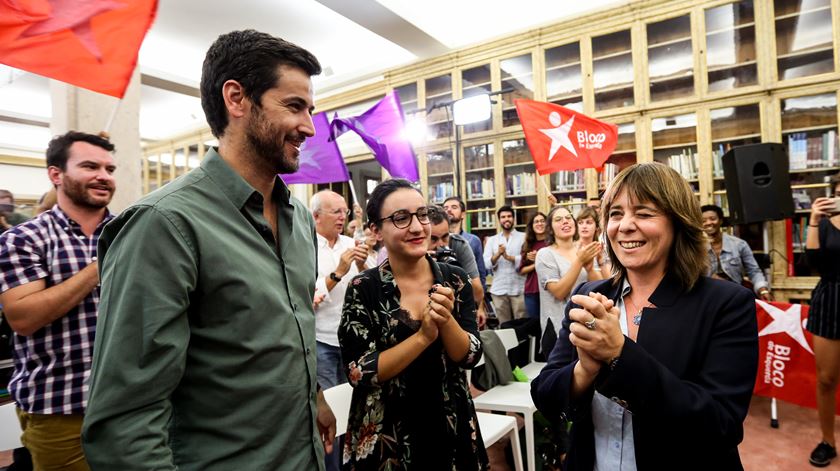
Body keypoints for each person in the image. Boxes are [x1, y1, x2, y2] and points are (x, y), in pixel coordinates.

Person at [81, 30, 335, 470]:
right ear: (236, 99)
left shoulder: (297, 219)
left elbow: (287, 332)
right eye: (293, 106)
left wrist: (313, 398)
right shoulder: (164, 224)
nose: (309, 127)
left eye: (309, 109)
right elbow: (125, 424)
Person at [531, 162, 758, 470]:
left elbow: (720, 424)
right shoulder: (590, 296)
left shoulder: (726, 304)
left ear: (679, 222)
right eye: (615, 214)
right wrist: (584, 370)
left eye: (644, 213)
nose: (625, 225)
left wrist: (619, 354)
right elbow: (544, 393)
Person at [338, 179, 488, 470]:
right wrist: (423, 336)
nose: (418, 227)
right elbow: (360, 371)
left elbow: (471, 355)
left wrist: (446, 322)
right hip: (388, 433)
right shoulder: (363, 287)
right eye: (401, 218)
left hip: (450, 424)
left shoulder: (455, 279)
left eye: (423, 214)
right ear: (376, 231)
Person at [0, 131, 117, 471]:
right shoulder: (24, 238)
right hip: (61, 406)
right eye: (90, 166)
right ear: (56, 174)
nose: (103, 176)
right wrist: (100, 265)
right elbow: (23, 317)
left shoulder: (131, 230)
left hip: (132, 402)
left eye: (109, 169)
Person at [311, 190, 372, 471]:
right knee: (329, 414)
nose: (341, 217)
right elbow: (308, 294)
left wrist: (361, 264)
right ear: (316, 216)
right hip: (321, 341)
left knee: (354, 407)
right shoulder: (306, 247)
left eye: (344, 211)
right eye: (335, 211)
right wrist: (338, 271)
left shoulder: (351, 243)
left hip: (351, 341)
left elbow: (373, 284)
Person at [805, 173, 840, 467]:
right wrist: (814, 220)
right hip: (831, 299)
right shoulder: (824, 223)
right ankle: (828, 440)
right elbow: (812, 263)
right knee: (827, 379)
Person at [535, 206, 601, 352]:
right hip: (559, 330)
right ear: (551, 229)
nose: (565, 221)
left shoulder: (584, 249)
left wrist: (589, 268)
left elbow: (598, 286)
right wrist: (579, 262)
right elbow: (559, 292)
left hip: (586, 327)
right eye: (558, 220)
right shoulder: (545, 254)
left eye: (568, 218)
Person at [428, 205, 486, 328]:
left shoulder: (459, 245)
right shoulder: (414, 249)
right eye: (433, 239)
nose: (441, 245)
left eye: (445, 237)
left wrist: (458, 271)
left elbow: (478, 293)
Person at [701, 204, 772, 300]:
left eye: (713, 218)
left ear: (721, 221)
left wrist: (762, 290)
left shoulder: (739, 244)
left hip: (734, 296)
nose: (709, 223)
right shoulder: (696, 248)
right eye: (703, 221)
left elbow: (753, 271)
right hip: (707, 297)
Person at [483, 205, 527, 324]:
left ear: (513, 218)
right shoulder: (492, 240)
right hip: (499, 289)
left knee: (521, 325)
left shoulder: (524, 237)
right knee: (504, 326)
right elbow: (486, 263)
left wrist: (509, 257)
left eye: (509, 216)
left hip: (519, 289)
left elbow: (527, 259)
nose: (506, 219)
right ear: (499, 220)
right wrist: (498, 254)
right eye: (503, 217)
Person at [518, 212, 548, 319]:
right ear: (532, 226)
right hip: (531, 291)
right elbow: (521, 270)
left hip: (549, 290)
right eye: (536, 221)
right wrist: (536, 263)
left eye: (542, 221)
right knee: (534, 325)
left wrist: (538, 259)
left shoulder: (553, 243)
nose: (539, 224)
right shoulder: (527, 245)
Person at [577, 206, 611, 279]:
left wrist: (601, 261)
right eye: (580, 223)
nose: (584, 226)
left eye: (589, 223)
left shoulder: (601, 249)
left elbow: (608, 281)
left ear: (596, 227)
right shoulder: (573, 248)